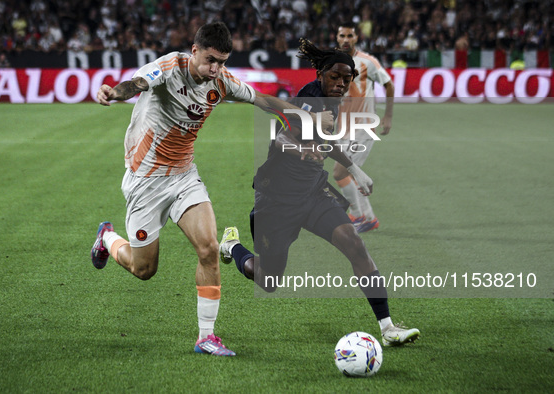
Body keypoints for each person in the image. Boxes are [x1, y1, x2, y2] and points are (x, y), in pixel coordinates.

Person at [91, 22, 333, 357]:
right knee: (144, 269)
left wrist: (308, 117)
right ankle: (106, 237)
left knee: (208, 248)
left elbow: (264, 101)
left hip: (184, 177)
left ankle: (207, 336)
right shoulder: (168, 68)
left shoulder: (220, 81)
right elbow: (134, 84)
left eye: (221, 61)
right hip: (145, 180)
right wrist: (112, 93)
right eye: (210, 59)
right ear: (194, 51)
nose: (215, 68)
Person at [219, 38, 420, 347]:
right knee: (269, 280)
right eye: (334, 77)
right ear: (321, 75)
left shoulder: (332, 100)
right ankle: (233, 247)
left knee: (354, 244)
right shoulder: (309, 101)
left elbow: (326, 142)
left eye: (346, 78)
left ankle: (388, 327)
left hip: (313, 193)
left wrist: (354, 169)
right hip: (277, 200)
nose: (340, 83)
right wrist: (301, 151)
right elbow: (279, 141)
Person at [333, 22, 395, 233]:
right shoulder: (331, 63)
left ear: (356, 38)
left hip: (363, 127)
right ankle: (366, 217)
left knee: (341, 171)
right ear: (337, 37)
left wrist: (387, 116)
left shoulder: (368, 62)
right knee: (348, 173)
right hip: (342, 128)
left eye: (350, 35)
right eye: (342, 35)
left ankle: (360, 216)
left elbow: (389, 84)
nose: (346, 39)